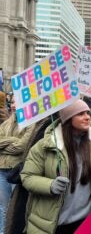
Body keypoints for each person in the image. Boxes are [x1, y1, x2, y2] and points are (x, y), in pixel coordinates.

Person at [20, 99, 91, 234]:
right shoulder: (45, 146)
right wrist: (50, 185)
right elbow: (27, 176)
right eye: (80, 114)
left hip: (86, 222)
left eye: (87, 113)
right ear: (68, 118)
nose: (87, 117)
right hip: (53, 223)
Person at [0, 96, 36, 234]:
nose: (14, 105)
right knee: (3, 207)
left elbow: (21, 146)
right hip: (1, 170)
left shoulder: (32, 123)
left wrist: (4, 143)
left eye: (18, 102)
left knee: (15, 208)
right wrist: (13, 140)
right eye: (13, 102)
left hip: (16, 172)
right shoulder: (7, 123)